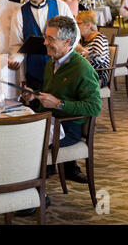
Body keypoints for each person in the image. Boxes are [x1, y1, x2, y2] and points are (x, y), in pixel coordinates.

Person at [23, 16, 101, 182]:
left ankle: (35, 194)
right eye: (45, 37)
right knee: (14, 135)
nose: (45, 42)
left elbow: (94, 107)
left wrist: (59, 104)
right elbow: (51, 92)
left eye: (50, 39)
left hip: (67, 128)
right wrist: (35, 94)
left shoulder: (82, 68)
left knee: (25, 144)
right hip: (49, 122)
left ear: (67, 42)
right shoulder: (52, 61)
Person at [8, 0, 76, 95]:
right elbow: (16, 44)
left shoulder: (60, 6)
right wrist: (15, 59)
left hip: (62, 69)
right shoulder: (19, 13)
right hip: (34, 72)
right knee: (37, 108)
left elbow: (74, 35)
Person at [75, 11, 110, 87]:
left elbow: (98, 60)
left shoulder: (100, 38)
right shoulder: (81, 39)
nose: (76, 26)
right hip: (82, 73)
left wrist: (81, 50)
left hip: (97, 77)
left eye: (78, 23)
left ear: (88, 25)